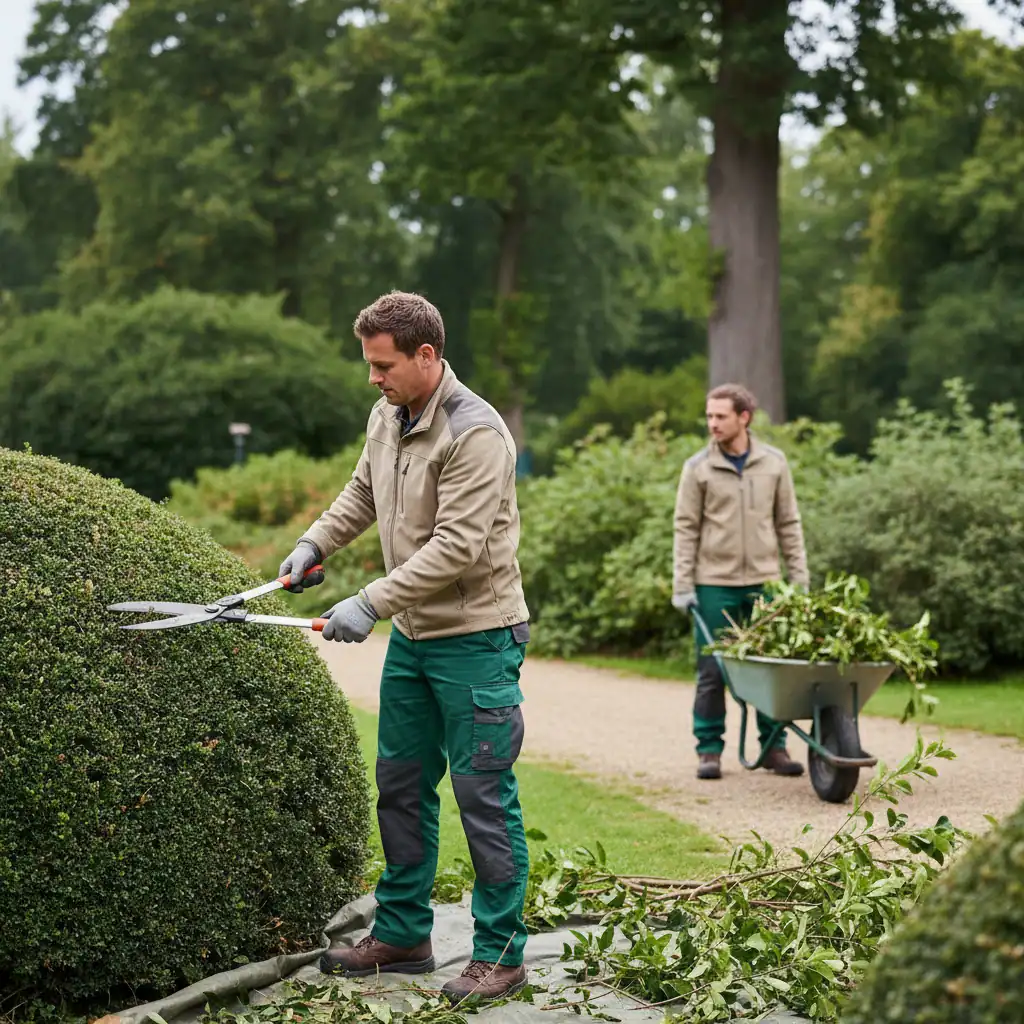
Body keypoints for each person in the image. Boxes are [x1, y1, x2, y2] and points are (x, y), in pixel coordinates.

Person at [279, 291, 531, 1005]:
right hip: (416, 644)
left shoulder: (476, 433)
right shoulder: (389, 415)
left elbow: (456, 546)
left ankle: (502, 955)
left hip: (477, 642)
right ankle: (403, 934)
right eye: (369, 364)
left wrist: (369, 602)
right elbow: (362, 492)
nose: (372, 377)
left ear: (427, 355)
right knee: (400, 788)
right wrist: (314, 543)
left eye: (382, 364)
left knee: (484, 797)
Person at [672, 383, 810, 781]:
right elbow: (685, 528)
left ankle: (773, 748)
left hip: (767, 585)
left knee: (771, 668)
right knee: (713, 669)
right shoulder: (698, 467)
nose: (712, 423)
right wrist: (683, 585)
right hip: (714, 584)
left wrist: (798, 579)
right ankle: (709, 749)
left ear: (744, 417)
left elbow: (789, 523)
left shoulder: (774, 463)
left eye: (720, 416)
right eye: (709, 416)